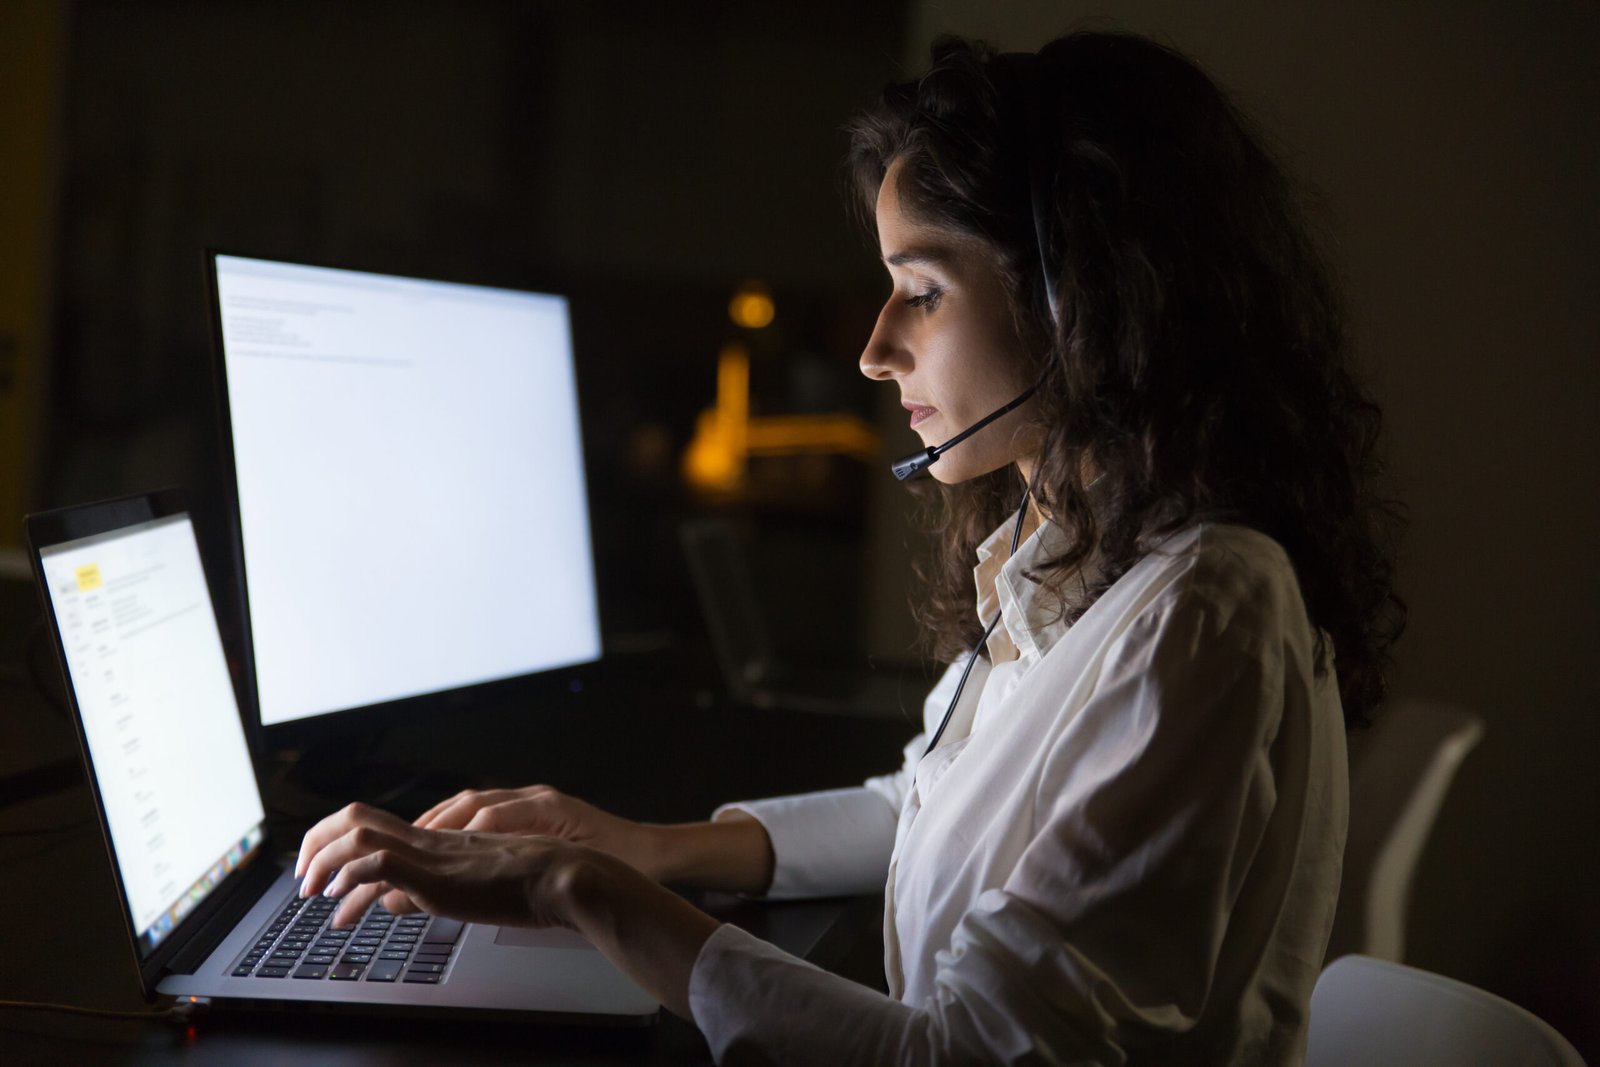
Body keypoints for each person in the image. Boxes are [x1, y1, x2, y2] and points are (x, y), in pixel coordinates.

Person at [295, 30, 1403, 1065]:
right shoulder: (1067, 560)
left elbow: (962, 1051)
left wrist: (567, 883)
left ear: (1081, 300)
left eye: (920, 291)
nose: (875, 349)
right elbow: (917, 801)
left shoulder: (1201, 610)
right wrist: (645, 844)